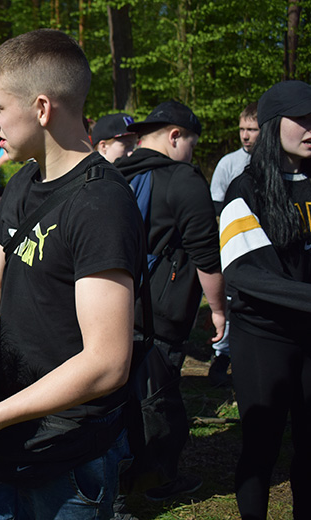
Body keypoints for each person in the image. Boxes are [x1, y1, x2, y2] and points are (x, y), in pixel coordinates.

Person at [0, 29, 143, 518]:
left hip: (63, 457)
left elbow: (107, 361)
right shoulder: (22, 184)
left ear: (41, 109)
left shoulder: (100, 203)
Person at [115, 100, 226, 502]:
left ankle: (118, 476)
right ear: (174, 136)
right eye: (191, 144)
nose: (191, 154)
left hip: (112, 303)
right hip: (159, 311)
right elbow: (206, 257)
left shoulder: (114, 172)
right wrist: (218, 310)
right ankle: (154, 480)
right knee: (156, 397)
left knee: (118, 395)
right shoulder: (183, 180)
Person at [219, 80, 311, 520]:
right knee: (261, 448)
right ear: (275, 126)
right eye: (302, 119)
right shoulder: (244, 190)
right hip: (263, 340)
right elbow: (245, 273)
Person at [207, 101, 259, 386]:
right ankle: (222, 355)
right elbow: (217, 207)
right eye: (242, 129)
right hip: (233, 247)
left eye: (252, 129)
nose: (245, 135)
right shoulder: (229, 163)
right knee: (228, 300)